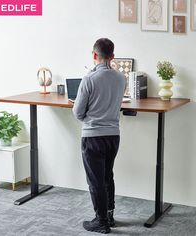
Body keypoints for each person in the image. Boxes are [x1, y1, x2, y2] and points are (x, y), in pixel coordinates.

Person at [73, 38, 125, 234]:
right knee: (107, 176)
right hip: (113, 136)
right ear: (112, 56)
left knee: (95, 180)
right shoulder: (121, 78)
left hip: (93, 136)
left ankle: (100, 221)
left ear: (94, 55)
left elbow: (78, 113)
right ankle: (109, 215)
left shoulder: (89, 79)